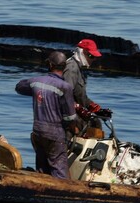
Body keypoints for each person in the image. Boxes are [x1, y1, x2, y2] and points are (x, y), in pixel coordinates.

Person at [15, 51, 77, 179]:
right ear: (64, 67)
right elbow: (69, 117)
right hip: (55, 134)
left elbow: (19, 87)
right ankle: (60, 196)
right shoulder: (65, 87)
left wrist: (36, 88)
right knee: (59, 172)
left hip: (38, 131)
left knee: (42, 169)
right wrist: (73, 129)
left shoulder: (36, 82)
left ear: (49, 64)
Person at [63, 39, 112, 135]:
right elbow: (64, 96)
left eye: (94, 57)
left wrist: (96, 109)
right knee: (93, 125)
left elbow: (81, 97)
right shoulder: (71, 68)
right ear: (81, 52)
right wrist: (79, 109)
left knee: (96, 122)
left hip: (75, 112)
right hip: (67, 114)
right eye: (90, 56)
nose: (93, 59)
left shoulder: (78, 68)